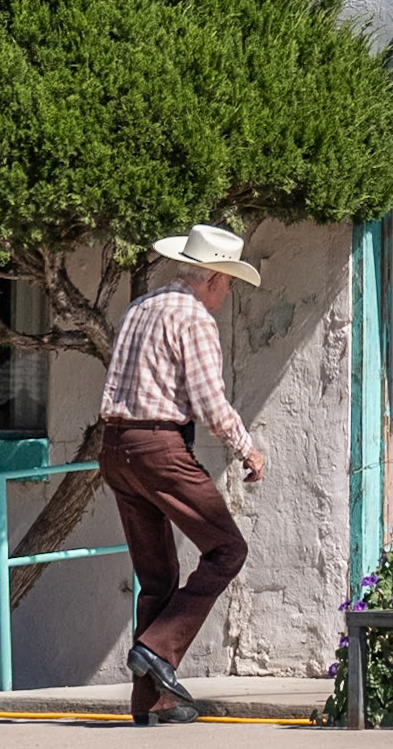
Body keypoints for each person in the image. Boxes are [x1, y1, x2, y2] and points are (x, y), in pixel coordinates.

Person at [98, 224, 267, 726]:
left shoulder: (140, 308)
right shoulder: (194, 318)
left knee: (157, 577)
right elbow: (209, 403)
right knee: (227, 549)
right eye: (228, 283)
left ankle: (153, 703)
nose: (227, 294)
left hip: (116, 447)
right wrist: (248, 450)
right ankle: (156, 648)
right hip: (158, 448)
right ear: (212, 278)